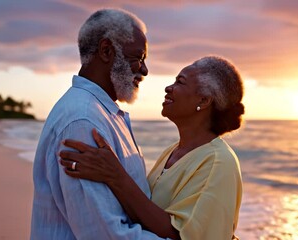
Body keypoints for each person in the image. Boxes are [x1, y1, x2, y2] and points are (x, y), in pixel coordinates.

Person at [59, 56, 245, 240]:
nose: (168, 88)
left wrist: (114, 175)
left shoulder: (218, 162)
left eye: (180, 82)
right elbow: (143, 213)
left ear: (204, 101)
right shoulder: (172, 151)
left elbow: (178, 234)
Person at [30, 9, 167, 239]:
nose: (144, 70)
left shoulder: (101, 114)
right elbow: (105, 233)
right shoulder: (83, 121)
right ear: (106, 51)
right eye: (138, 58)